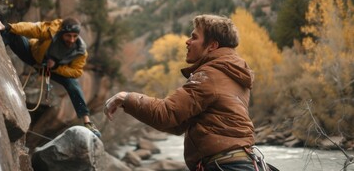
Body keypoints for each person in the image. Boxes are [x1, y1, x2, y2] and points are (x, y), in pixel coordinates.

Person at [104, 14, 272, 171]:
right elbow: (177, 123)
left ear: (212, 46)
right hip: (239, 163)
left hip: (226, 166)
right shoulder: (230, 72)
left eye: (194, 37)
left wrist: (125, 97)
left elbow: (166, 114)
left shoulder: (210, 74)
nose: (187, 41)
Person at [0, 16, 101, 138]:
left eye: (75, 36)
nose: (72, 39)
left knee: (73, 84)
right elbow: (33, 28)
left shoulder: (80, 50)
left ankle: (87, 122)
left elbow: (76, 72)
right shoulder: (52, 30)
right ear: (62, 32)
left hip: (51, 70)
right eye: (68, 36)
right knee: (10, 34)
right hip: (33, 55)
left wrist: (56, 67)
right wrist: (8, 27)